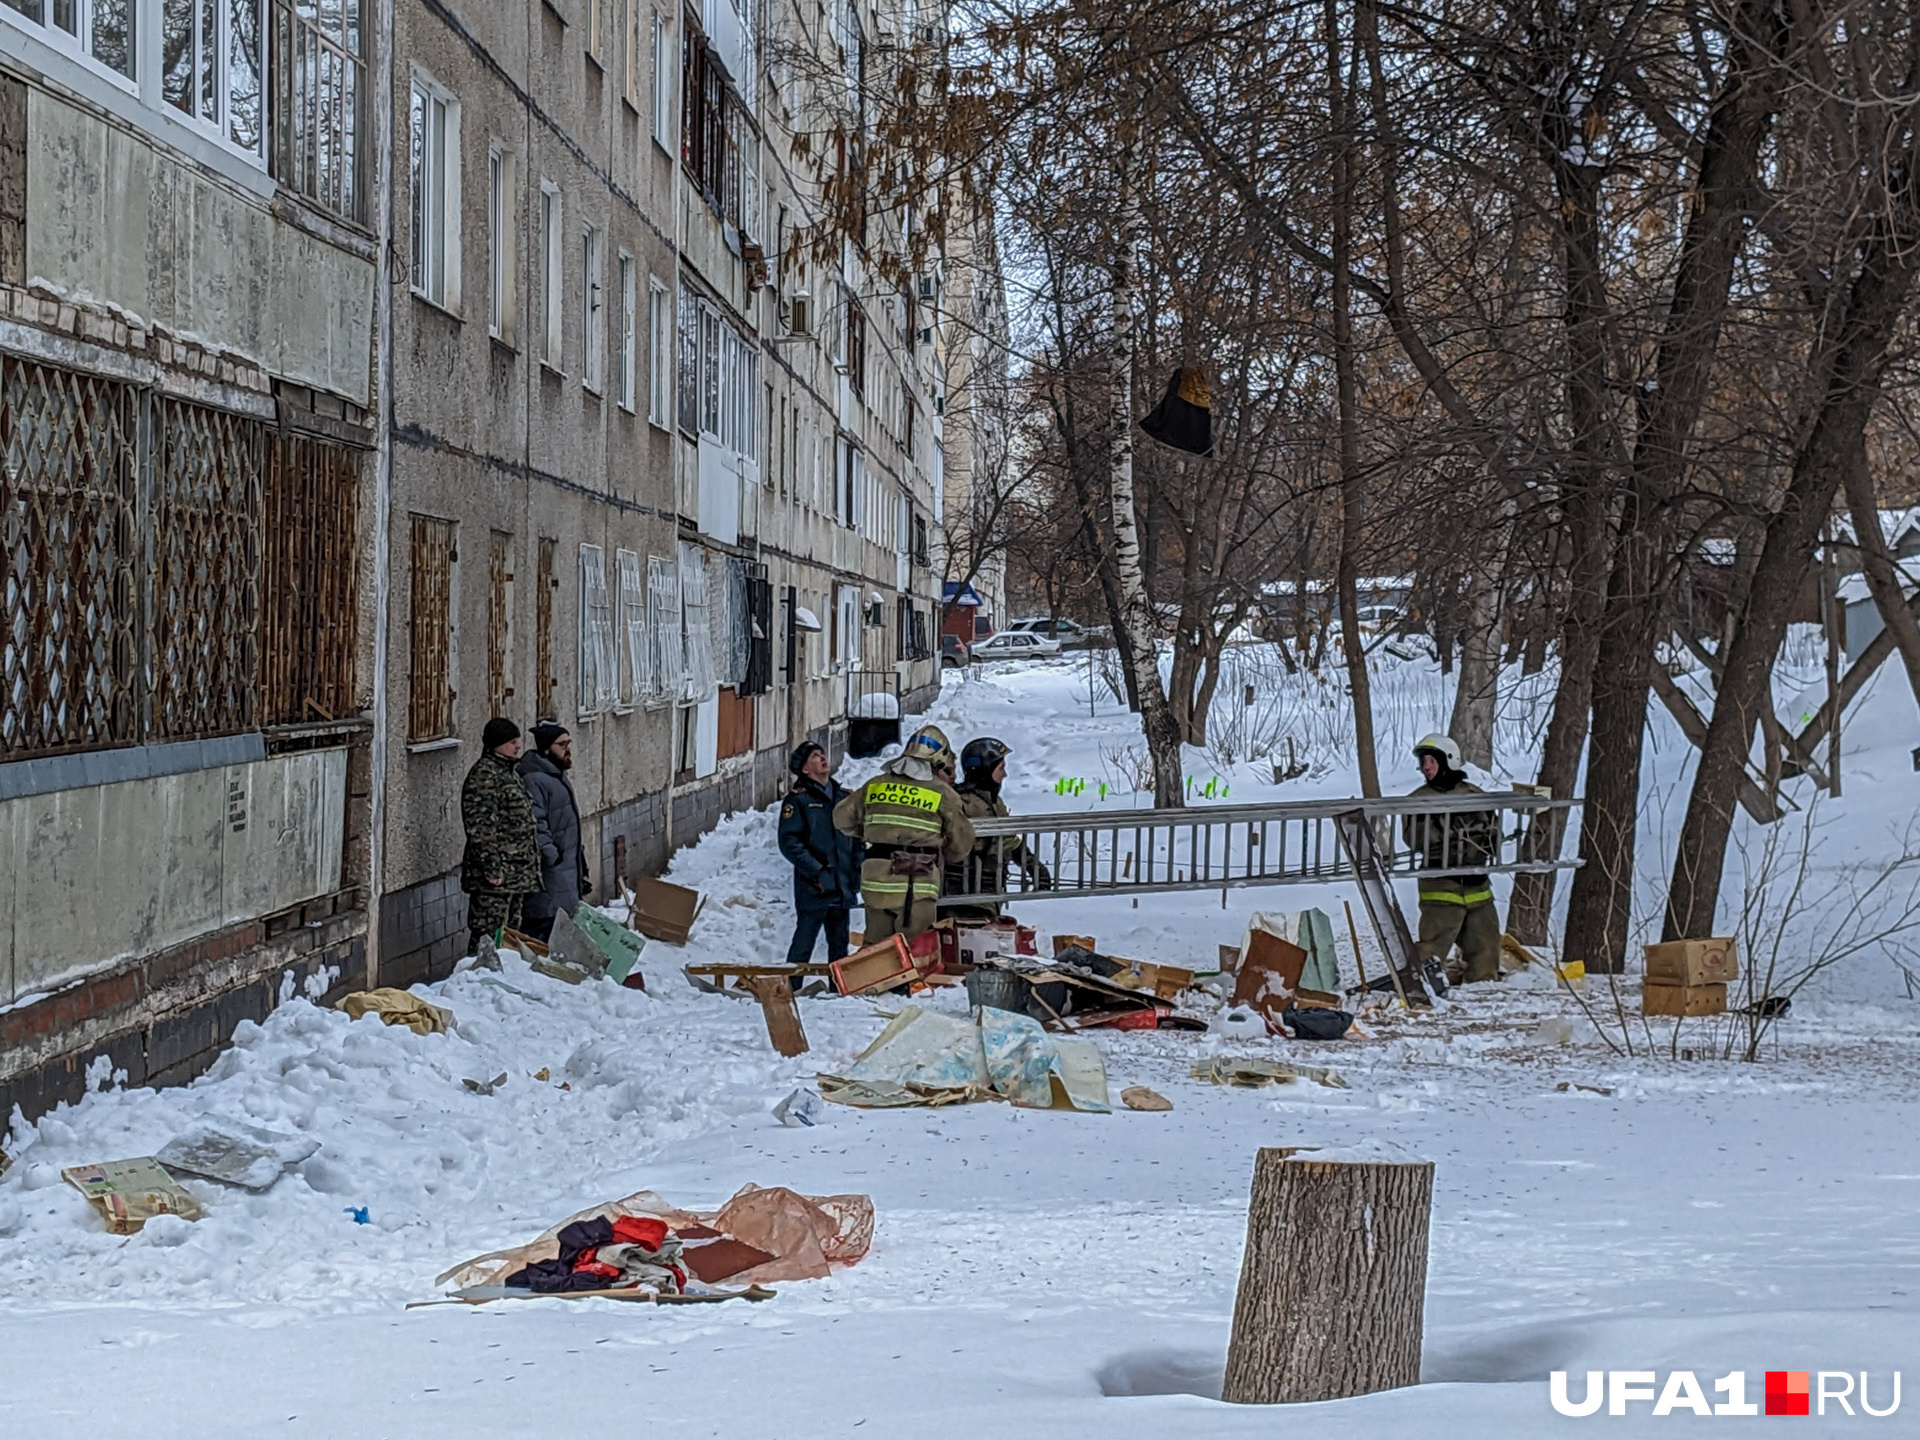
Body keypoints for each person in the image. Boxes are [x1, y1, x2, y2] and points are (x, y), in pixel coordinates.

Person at [833, 724, 976, 942]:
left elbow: (841, 818)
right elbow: (961, 843)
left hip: (876, 882)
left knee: (877, 957)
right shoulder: (942, 793)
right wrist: (945, 850)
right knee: (916, 954)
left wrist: (869, 831)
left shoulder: (875, 785)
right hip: (916, 887)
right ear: (937, 762)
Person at [1402, 732, 1501, 985]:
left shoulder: (1474, 794)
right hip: (1440, 886)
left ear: (1449, 760)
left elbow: (1493, 834)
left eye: (1431, 761)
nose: (1425, 767)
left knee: (1486, 946)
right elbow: (1414, 839)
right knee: (1431, 950)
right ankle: (1421, 987)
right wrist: (1444, 830)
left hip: (1477, 885)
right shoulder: (1418, 800)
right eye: (1423, 762)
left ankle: (1482, 990)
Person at [945, 736, 1053, 921]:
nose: (1005, 774)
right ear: (985, 770)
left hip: (986, 893)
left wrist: (1033, 867)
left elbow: (1008, 840)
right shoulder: (965, 803)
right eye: (1001, 768)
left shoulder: (993, 802)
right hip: (964, 898)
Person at [777, 741, 863, 967]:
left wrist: (856, 871)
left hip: (842, 884)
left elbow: (856, 838)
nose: (823, 758)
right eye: (815, 756)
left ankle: (838, 992)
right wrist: (816, 871)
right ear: (805, 769)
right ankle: (791, 989)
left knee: (840, 946)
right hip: (815, 888)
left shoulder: (843, 798)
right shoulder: (798, 801)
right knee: (804, 943)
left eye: (823, 753)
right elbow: (789, 842)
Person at [461, 717, 541, 954]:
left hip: (514, 875)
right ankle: (478, 981)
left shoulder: (508, 772)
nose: (518, 746)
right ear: (496, 744)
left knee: (508, 936)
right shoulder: (485, 776)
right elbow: (480, 827)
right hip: (494, 880)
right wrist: (492, 867)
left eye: (517, 741)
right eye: (512, 742)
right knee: (487, 935)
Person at [516, 721, 588, 942]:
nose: (568, 749)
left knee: (561, 924)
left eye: (568, 743)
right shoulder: (535, 779)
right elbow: (536, 822)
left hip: (566, 866)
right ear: (546, 749)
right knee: (543, 926)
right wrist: (552, 856)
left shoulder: (557, 775)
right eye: (561, 744)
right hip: (551, 870)